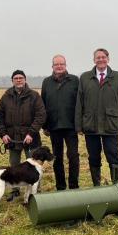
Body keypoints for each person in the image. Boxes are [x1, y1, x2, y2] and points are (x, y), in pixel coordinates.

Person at [75, 48, 118, 186]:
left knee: (113, 155)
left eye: (103, 57)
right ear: (94, 60)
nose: (101, 59)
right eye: (98, 57)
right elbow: (79, 102)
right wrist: (78, 126)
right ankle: (96, 186)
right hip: (90, 125)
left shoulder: (117, 77)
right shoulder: (85, 77)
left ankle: (116, 185)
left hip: (111, 124)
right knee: (93, 157)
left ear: (108, 59)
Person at [0, 69, 46, 201]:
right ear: (12, 81)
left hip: (31, 139)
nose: (18, 80)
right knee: (14, 166)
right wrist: (3, 134)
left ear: (25, 80)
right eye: (16, 78)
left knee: (34, 166)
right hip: (12, 139)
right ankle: (15, 190)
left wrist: (31, 133)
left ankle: (36, 192)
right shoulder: (6, 96)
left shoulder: (34, 96)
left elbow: (41, 115)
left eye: (21, 78)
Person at [41, 55, 80, 190]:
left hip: (71, 126)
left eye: (61, 64)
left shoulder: (74, 80)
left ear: (65, 65)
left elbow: (80, 103)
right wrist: (45, 125)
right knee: (57, 158)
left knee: (73, 156)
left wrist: (80, 123)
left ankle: (74, 186)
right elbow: (43, 104)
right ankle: (61, 187)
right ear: (52, 66)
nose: (59, 66)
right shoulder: (47, 82)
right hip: (54, 126)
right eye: (56, 64)